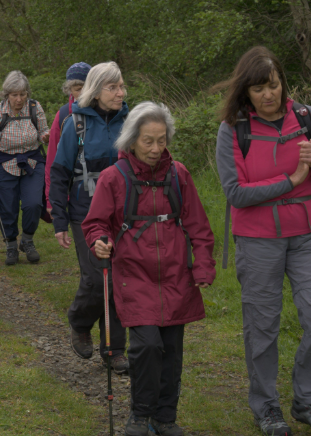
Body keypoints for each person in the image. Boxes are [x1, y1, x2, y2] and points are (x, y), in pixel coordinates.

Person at [215, 47, 311, 436]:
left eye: (273, 85)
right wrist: (290, 181)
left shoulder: (307, 118)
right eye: (258, 88)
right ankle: (267, 407)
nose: (268, 95)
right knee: (262, 325)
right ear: (246, 92)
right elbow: (235, 193)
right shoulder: (234, 129)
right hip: (258, 238)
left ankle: (310, 402)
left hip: (308, 233)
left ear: (283, 82)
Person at [84, 102, 215, 436]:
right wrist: (100, 240)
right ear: (131, 140)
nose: (157, 148)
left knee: (171, 350)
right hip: (133, 275)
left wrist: (203, 266)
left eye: (162, 140)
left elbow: (198, 226)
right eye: (148, 141)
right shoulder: (115, 178)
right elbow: (96, 222)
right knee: (145, 347)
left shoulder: (179, 174)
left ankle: (164, 418)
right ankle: (140, 416)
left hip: (175, 276)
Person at [49, 62, 129, 372]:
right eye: (113, 88)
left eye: (121, 86)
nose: (120, 93)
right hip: (84, 213)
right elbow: (59, 173)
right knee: (98, 277)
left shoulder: (131, 121)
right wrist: (59, 219)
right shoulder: (76, 123)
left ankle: (114, 349)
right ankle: (80, 321)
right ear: (96, 91)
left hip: (123, 215)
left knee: (119, 280)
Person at [0, 71, 50, 265]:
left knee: (33, 204)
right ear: (7, 95)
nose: (19, 99)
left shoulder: (35, 108)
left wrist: (45, 136)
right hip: (4, 164)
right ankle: (11, 245)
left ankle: (27, 241)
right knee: (8, 207)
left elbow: (43, 131)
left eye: (23, 94)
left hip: (32, 162)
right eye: (14, 95)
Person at [45, 62, 91, 216]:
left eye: (87, 86)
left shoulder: (106, 113)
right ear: (70, 91)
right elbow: (53, 160)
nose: (84, 92)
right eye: (78, 89)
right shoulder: (63, 116)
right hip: (75, 189)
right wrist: (52, 200)